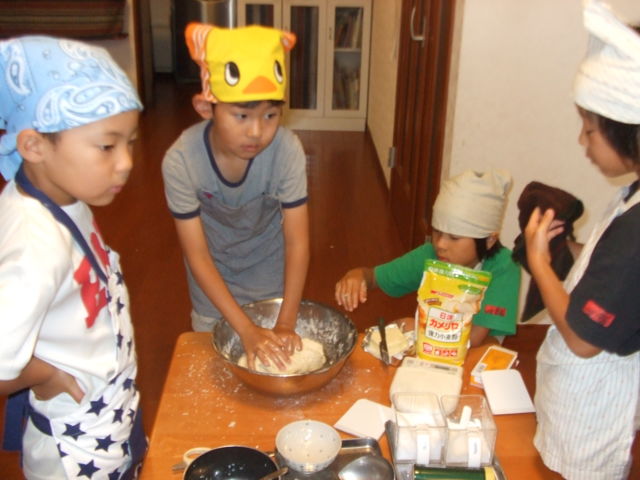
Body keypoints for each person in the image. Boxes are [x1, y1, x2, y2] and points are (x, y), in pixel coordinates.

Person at [0, 36, 145, 479]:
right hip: (75, 448)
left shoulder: (62, 195)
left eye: (130, 142)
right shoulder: (36, 245)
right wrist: (43, 375)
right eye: (107, 146)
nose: (126, 162)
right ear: (34, 146)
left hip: (107, 412)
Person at [524, 1, 640, 478]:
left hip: (592, 417)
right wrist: (567, 250)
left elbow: (581, 338)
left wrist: (540, 264)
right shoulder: (631, 197)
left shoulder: (635, 235)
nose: (582, 142)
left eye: (590, 130)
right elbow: (610, 278)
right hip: (580, 400)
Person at [162, 23, 309, 371]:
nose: (256, 131)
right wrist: (244, 329)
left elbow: (298, 243)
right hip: (213, 288)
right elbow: (197, 256)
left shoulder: (287, 150)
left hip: (271, 281)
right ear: (206, 108)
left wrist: (286, 321)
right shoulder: (181, 161)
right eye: (241, 115)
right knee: (216, 375)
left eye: (270, 115)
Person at [335, 169, 520, 346]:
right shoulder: (432, 256)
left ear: (488, 240)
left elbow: (475, 338)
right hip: (430, 346)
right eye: (437, 232)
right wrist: (358, 276)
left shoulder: (504, 268)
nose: (441, 244)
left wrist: (417, 328)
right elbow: (375, 277)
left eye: (454, 237)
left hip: (477, 351)